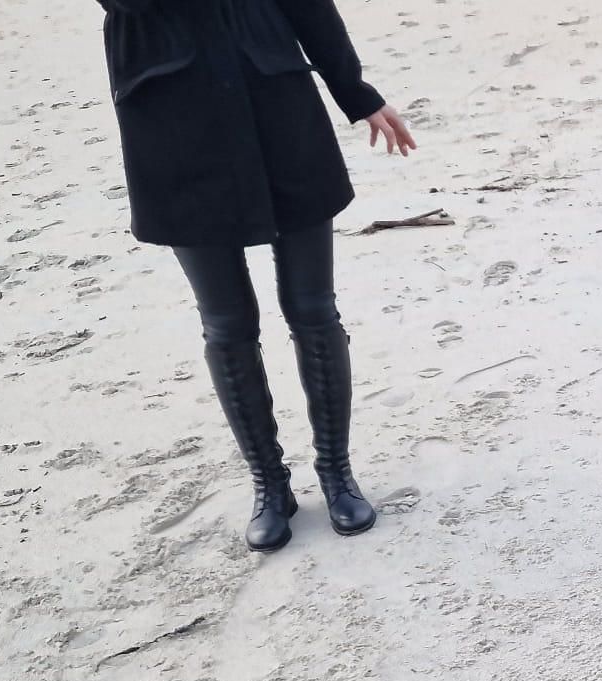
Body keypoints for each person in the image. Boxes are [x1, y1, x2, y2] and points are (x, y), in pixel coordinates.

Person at [96, 0, 417, 551]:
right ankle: (270, 485)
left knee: (314, 308)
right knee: (226, 323)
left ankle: (336, 473)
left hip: (278, 105)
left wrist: (356, 92)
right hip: (173, 122)